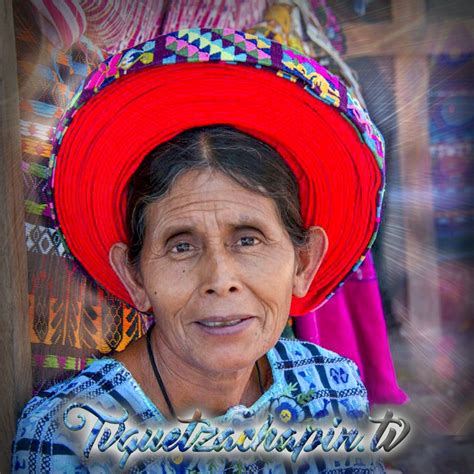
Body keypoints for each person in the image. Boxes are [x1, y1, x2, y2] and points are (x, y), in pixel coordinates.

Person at [12, 28, 386, 472]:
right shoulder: (69, 437)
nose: (219, 279)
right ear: (134, 277)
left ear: (303, 262)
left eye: (248, 239)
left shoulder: (333, 387)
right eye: (181, 246)